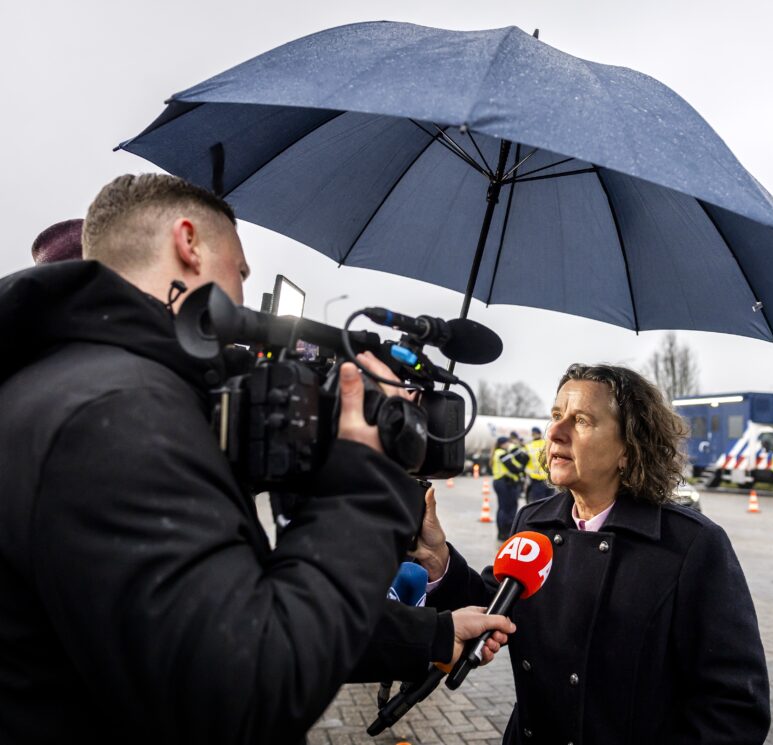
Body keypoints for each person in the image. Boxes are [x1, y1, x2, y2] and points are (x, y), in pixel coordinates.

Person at [0, 174, 513, 745]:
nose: (242, 296)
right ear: (188, 242)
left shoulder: (81, 387)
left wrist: (432, 635)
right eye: (240, 272)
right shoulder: (118, 415)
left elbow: (226, 613)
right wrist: (367, 478)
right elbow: (245, 690)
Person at [414, 364, 771, 743]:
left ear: (629, 447)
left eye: (581, 420)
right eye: (556, 416)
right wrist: (437, 559)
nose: (555, 432)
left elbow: (735, 707)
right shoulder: (534, 522)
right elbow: (488, 608)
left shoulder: (691, 544)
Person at [491, 435, 529, 540]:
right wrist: (521, 470)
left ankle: (504, 532)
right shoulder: (501, 453)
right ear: (503, 444)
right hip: (504, 483)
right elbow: (511, 467)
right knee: (506, 509)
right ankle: (504, 533)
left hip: (505, 483)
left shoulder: (502, 452)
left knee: (506, 508)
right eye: (508, 443)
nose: (509, 445)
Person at [524, 425, 554, 503]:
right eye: (533, 433)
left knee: (547, 503)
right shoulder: (528, 446)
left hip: (547, 478)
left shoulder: (546, 443)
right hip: (537, 479)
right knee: (543, 503)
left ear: (539, 434)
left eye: (535, 433)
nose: (534, 435)